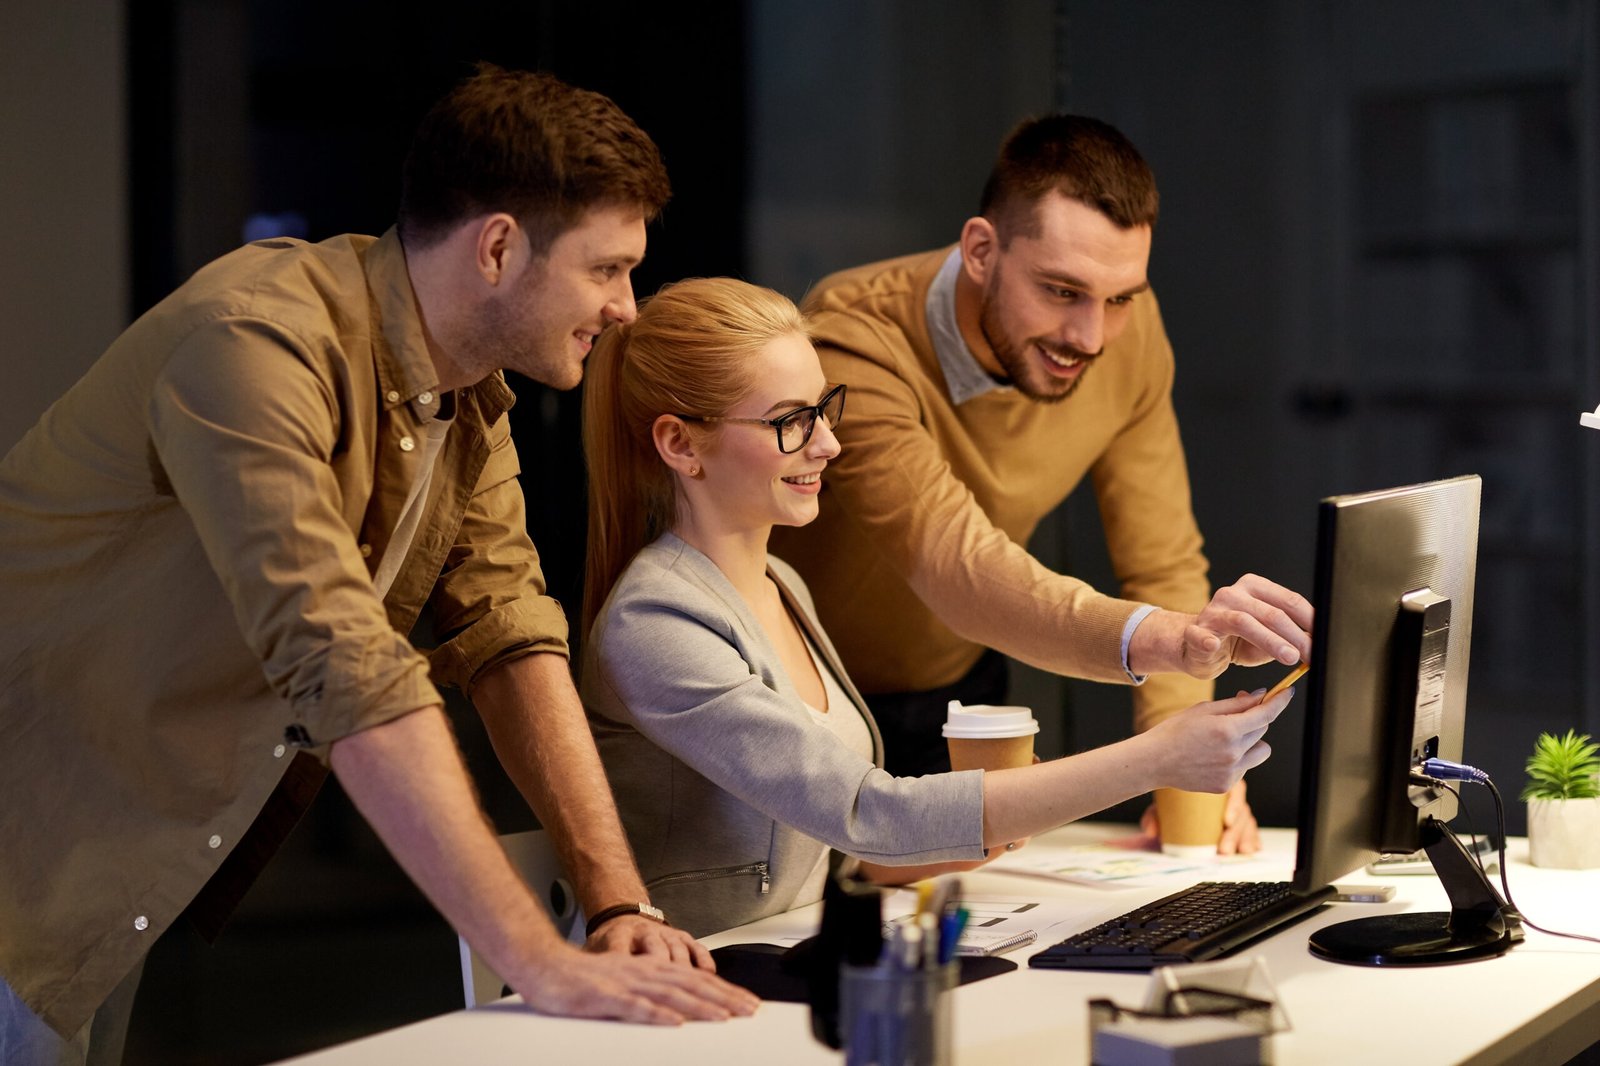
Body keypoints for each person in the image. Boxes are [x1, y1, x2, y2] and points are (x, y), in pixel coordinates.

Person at [0, 65, 757, 1065]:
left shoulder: (467, 397)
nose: (626, 307)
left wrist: (615, 897)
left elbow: (510, 632)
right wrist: (537, 957)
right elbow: (340, 656)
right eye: (606, 269)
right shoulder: (256, 340)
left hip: (105, 857)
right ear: (497, 246)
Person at [576, 276, 1298, 937]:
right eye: (791, 420)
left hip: (789, 959)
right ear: (680, 444)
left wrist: (1018, 806)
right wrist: (1156, 760)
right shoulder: (657, 621)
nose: (828, 442)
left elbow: (842, 855)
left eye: (825, 409)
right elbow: (870, 815)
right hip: (691, 987)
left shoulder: (783, 587)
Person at [768, 114, 1311, 853]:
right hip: (807, 705)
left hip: (959, 699)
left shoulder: (1130, 330)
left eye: (1119, 298)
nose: (1091, 337)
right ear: (982, 250)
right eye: (1062, 292)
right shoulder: (853, 335)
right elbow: (957, 569)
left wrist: (1187, 768)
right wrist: (1177, 641)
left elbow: (1163, 562)